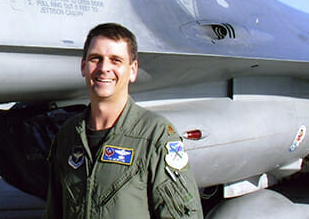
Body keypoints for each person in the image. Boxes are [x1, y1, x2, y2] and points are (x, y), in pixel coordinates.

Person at [45, 23, 203, 218]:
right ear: (83, 65)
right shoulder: (68, 136)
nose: (104, 68)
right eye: (96, 59)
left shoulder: (155, 136)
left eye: (116, 60)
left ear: (133, 70)